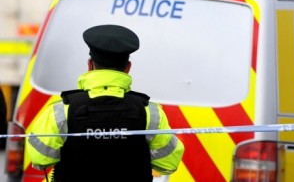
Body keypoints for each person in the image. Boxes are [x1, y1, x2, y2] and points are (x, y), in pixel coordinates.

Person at [27, 25, 184, 182]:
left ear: (90, 65)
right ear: (128, 68)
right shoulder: (150, 112)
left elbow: (40, 159)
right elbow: (168, 163)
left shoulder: (62, 111)